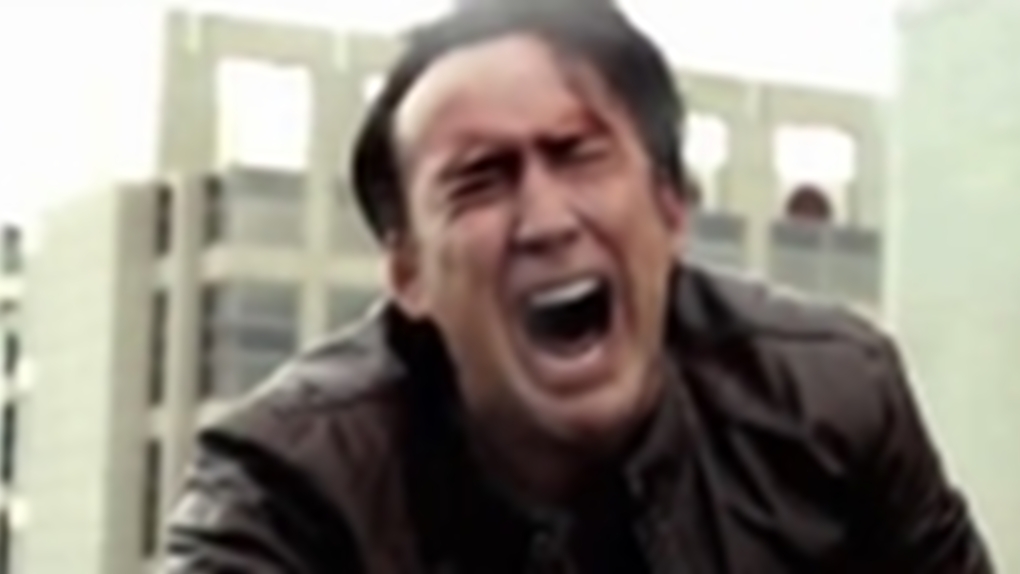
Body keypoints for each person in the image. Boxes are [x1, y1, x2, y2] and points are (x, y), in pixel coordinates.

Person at [162, 0, 994, 572]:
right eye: (480, 180)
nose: (546, 220)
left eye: (578, 155)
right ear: (407, 272)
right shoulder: (292, 486)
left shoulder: (831, 403)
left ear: (672, 206)